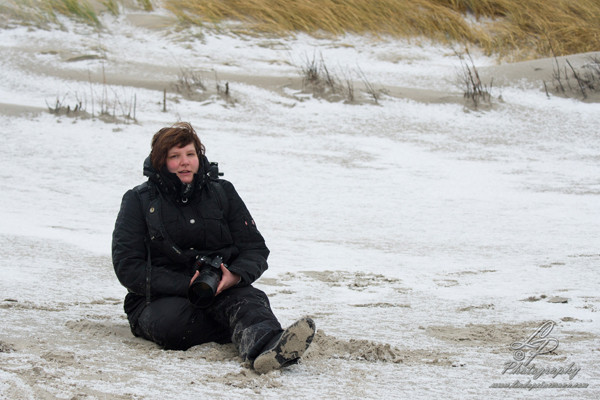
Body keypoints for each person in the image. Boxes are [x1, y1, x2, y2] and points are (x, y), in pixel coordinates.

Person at [112, 122, 315, 373]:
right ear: (160, 162)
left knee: (250, 300)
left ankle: (267, 349)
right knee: (173, 326)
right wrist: (185, 284)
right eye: (174, 156)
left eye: (190, 154)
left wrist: (235, 275)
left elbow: (255, 248)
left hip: (220, 288)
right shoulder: (138, 200)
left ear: (200, 157)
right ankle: (240, 327)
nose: (184, 162)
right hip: (159, 297)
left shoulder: (222, 192)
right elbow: (128, 267)